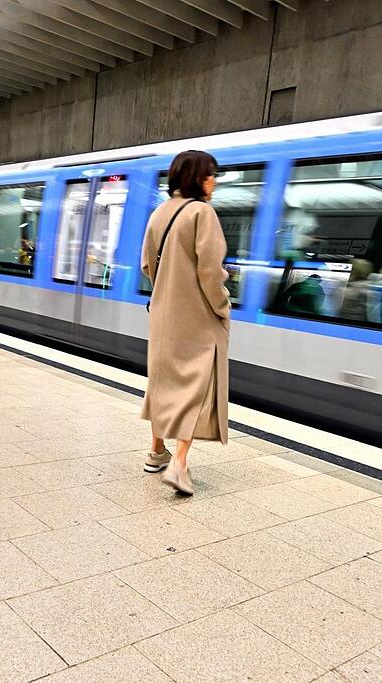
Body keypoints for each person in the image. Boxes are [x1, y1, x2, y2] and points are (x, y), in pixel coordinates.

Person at [140, 150, 231, 495]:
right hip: (197, 315)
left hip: (164, 314)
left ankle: (156, 451)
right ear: (196, 178)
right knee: (197, 384)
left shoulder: (159, 213)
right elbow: (210, 271)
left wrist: (168, 289)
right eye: (211, 175)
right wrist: (222, 306)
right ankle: (179, 462)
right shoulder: (201, 213)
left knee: (163, 379)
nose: (215, 181)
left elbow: (148, 266)